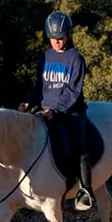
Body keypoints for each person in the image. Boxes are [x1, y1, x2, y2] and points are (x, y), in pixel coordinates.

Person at [19, 11, 93, 211]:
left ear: (68, 35)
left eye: (60, 38)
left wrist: (56, 110)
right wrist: (28, 102)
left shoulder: (76, 58)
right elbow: (39, 86)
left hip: (71, 112)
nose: (57, 42)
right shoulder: (45, 56)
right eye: (53, 39)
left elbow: (73, 92)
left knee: (80, 148)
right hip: (45, 111)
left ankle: (86, 190)